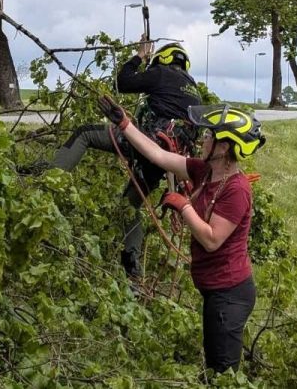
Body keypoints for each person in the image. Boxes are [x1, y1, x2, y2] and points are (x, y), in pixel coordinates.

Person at [97, 95, 265, 374]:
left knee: (222, 374)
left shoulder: (237, 190)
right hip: (214, 290)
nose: (203, 140)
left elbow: (211, 239)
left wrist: (183, 206)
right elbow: (159, 155)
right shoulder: (204, 171)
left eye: (209, 136)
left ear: (224, 147)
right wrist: (125, 124)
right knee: (214, 365)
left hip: (230, 294)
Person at [48, 37, 202, 278]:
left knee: (85, 133)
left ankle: (48, 179)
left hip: (148, 143)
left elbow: (122, 82)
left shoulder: (162, 73)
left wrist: (139, 56)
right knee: (129, 206)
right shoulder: (194, 91)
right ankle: (133, 270)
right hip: (166, 160)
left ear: (163, 59)